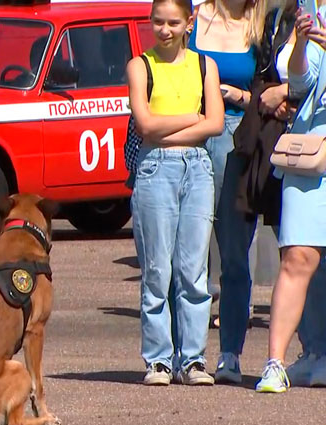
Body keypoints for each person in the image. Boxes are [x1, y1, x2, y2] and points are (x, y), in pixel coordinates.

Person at [127, 0, 224, 386]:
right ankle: (159, 360)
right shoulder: (141, 65)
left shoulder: (204, 65)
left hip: (197, 169)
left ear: (189, 22)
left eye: (173, 23)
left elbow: (215, 124)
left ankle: (193, 359)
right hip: (155, 169)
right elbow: (146, 125)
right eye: (157, 22)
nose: (164, 30)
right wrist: (190, 119)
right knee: (156, 269)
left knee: (193, 271)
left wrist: (186, 126)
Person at [188, 0, 266, 382]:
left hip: (235, 140)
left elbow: (270, 96)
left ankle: (230, 353)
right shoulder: (190, 16)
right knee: (184, 255)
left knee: (234, 253)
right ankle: (184, 354)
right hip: (186, 134)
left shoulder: (261, 23)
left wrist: (233, 95)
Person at [255, 5, 326, 393]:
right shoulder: (311, 11)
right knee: (297, 256)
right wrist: (300, 44)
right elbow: (300, 84)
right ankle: (275, 365)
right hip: (310, 152)